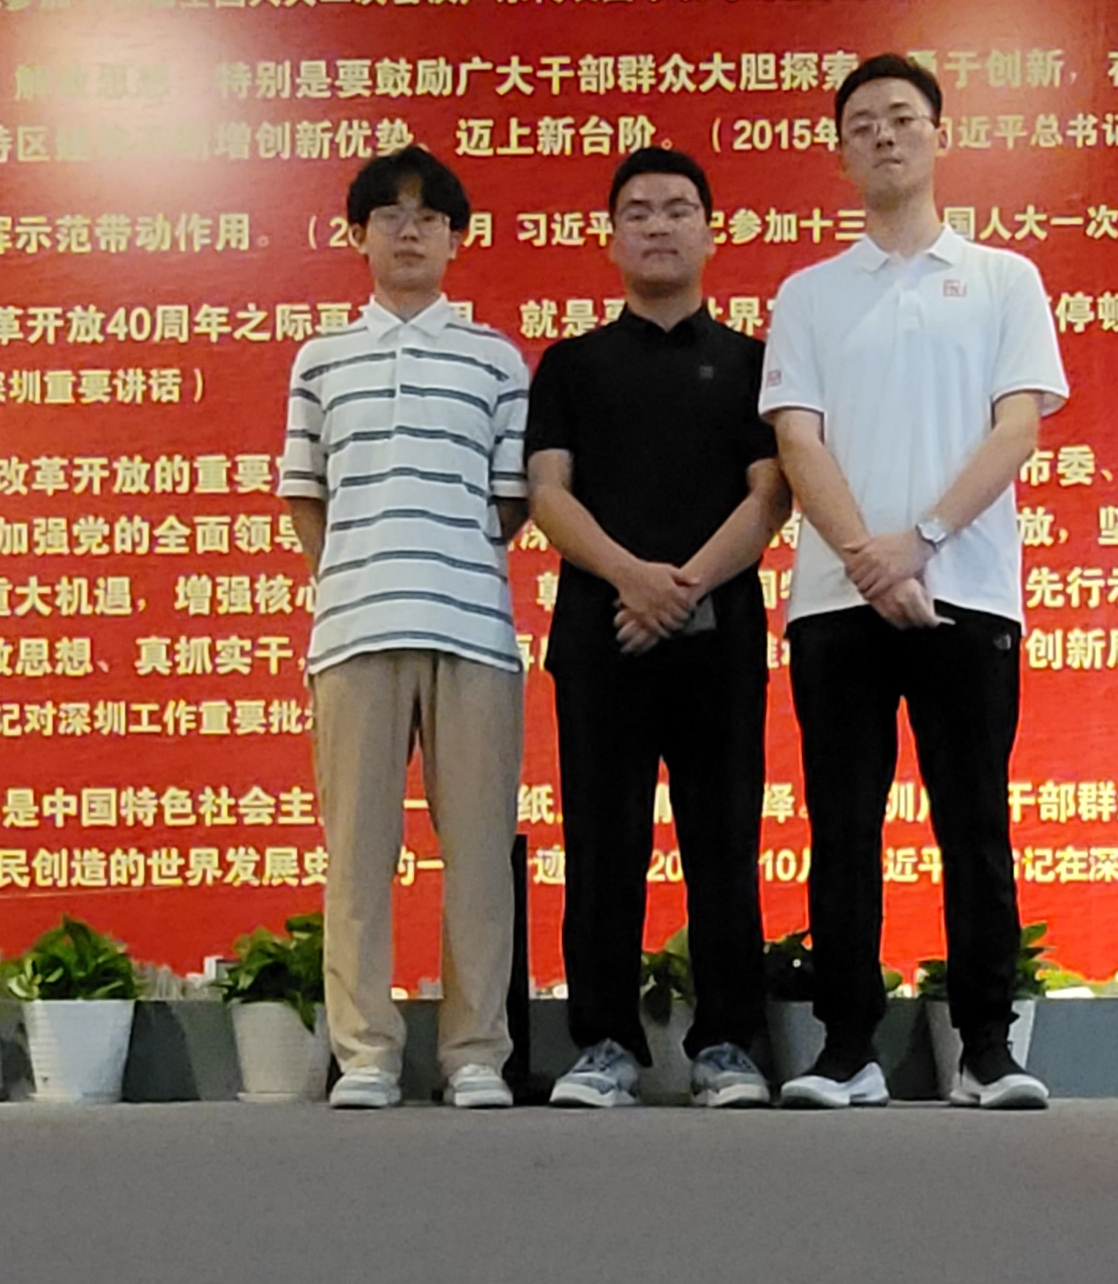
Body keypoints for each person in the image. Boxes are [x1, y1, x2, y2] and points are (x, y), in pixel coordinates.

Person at [759, 54, 1069, 1110]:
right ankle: (846, 1047)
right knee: (842, 825)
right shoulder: (809, 294)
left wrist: (922, 540)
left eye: (901, 117)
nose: (884, 135)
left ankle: (986, 1047)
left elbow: (1016, 427)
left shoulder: (1003, 278)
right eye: (862, 124)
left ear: (940, 133)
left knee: (974, 820)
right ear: (841, 152)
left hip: (966, 591)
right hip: (836, 600)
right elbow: (798, 439)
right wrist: (866, 555)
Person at [525, 146, 790, 1110]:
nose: (659, 224)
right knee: (603, 844)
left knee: (724, 841)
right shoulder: (570, 364)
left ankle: (726, 1044)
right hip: (602, 634)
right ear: (611, 238)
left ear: (711, 232)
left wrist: (682, 589)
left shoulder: (755, 365)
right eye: (637, 211)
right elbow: (547, 493)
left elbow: (770, 495)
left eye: (679, 208)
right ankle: (605, 1042)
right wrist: (633, 580)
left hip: (720, 639)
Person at [280, 143, 530, 1110]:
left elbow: (510, 500)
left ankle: (475, 1053)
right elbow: (306, 493)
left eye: (430, 216)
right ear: (357, 234)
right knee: (358, 853)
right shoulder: (321, 359)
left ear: (457, 238)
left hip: (473, 631)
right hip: (353, 632)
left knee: (479, 853)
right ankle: (367, 1054)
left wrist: (443, 557)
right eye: (390, 214)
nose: (411, 230)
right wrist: (357, 572)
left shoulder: (496, 358)